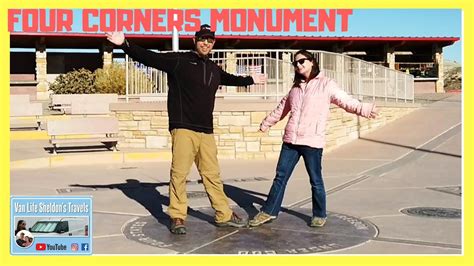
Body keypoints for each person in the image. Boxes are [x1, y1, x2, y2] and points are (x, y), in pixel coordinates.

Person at [106, 24, 265, 235]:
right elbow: (150, 58)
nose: (206, 43)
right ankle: (178, 216)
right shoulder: (179, 60)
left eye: (209, 40)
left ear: (213, 43)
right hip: (183, 128)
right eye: (202, 39)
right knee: (179, 174)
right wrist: (125, 44)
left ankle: (223, 215)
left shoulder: (213, 68)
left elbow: (231, 79)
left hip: (206, 131)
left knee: (212, 175)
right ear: (195, 40)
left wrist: (252, 79)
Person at [249, 49, 378, 228]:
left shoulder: (327, 84)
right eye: (295, 63)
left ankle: (319, 214)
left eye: (302, 61)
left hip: (312, 141)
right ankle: (269, 211)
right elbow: (281, 109)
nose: (299, 65)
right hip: (291, 141)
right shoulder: (295, 88)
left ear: (312, 62)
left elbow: (345, 100)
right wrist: (266, 123)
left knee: (315, 180)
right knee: (280, 177)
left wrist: (364, 109)